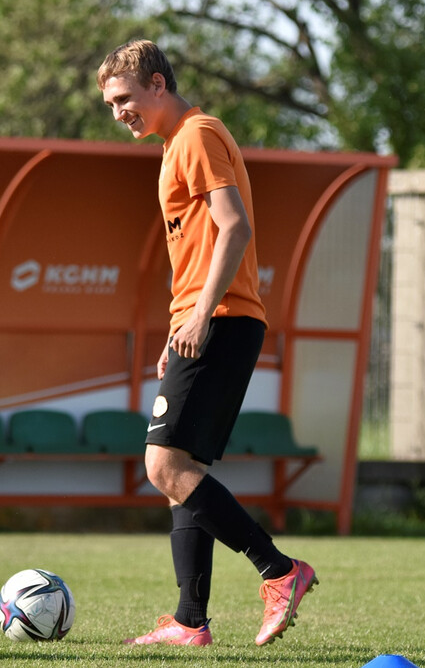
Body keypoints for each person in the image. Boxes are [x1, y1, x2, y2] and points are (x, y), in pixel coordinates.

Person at [96, 40, 317, 647]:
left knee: (163, 466)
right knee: (182, 468)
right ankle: (191, 620)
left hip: (220, 318)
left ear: (159, 85)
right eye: (110, 105)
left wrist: (197, 317)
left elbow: (235, 226)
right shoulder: (174, 144)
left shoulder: (195, 135)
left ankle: (280, 571)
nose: (119, 113)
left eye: (125, 99)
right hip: (204, 319)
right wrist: (180, 325)